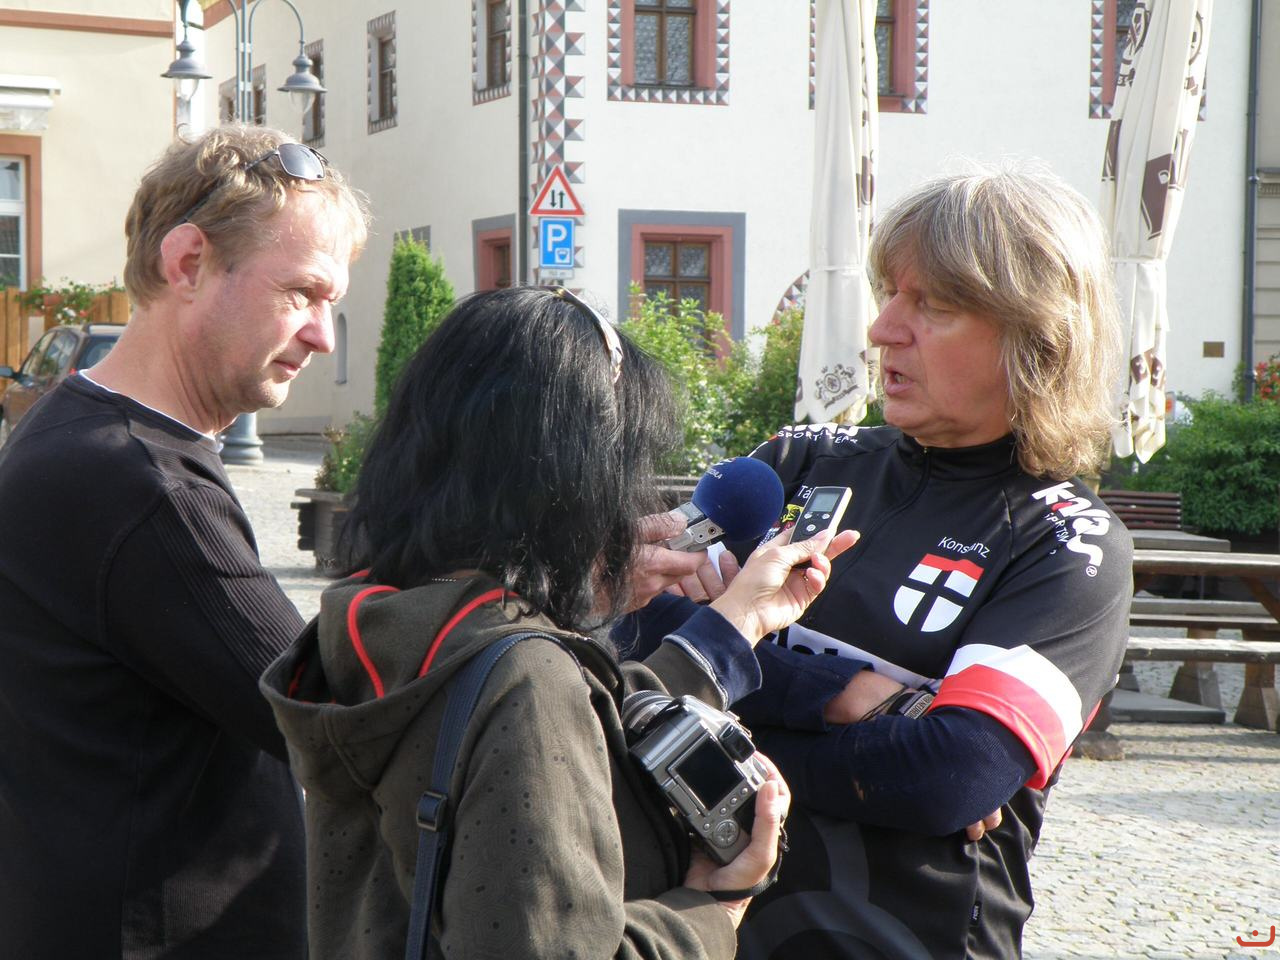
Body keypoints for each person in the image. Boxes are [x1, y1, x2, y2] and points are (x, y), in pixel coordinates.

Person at [619, 165, 1133, 960]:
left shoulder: (1068, 542)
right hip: (704, 930)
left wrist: (713, 704)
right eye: (891, 292)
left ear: (1037, 337)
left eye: (934, 305)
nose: (883, 327)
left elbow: (949, 777)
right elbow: (633, 627)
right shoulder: (801, 461)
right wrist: (848, 697)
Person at [260, 286, 858, 960]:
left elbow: (561, 726)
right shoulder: (526, 677)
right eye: (623, 467)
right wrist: (711, 913)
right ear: (574, 478)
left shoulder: (376, 612)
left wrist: (730, 621)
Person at [0, 124, 369, 958]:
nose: (323, 335)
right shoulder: (140, 484)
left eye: (331, 303)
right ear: (190, 262)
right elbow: (343, 719)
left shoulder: (80, 429)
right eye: (302, 293)